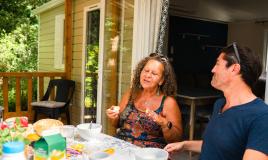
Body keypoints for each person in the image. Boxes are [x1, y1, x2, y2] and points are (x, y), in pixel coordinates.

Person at [164, 42, 268, 159]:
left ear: (234, 69)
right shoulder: (220, 104)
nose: (213, 69)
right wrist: (184, 145)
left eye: (218, 64)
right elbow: (216, 146)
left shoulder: (262, 116)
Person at [106, 53, 183, 148]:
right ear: (140, 72)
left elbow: (176, 139)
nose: (148, 75)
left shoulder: (168, 102)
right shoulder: (131, 94)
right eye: (146, 70)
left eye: (154, 73)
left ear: (161, 80)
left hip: (150, 154)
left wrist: (164, 124)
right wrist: (113, 116)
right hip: (122, 148)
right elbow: (116, 124)